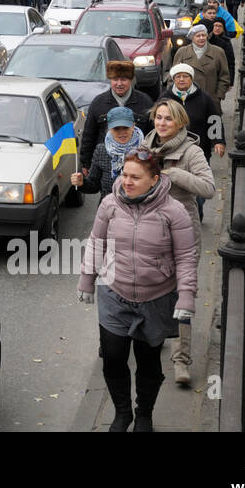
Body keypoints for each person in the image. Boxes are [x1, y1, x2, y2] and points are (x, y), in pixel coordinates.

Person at [78, 149, 197, 431]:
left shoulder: (174, 212)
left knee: (148, 363)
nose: (127, 182)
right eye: (124, 175)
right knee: (113, 356)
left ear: (155, 179)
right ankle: (122, 413)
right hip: (113, 294)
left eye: (135, 177)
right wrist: (86, 279)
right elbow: (96, 242)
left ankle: (144, 413)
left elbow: (186, 257)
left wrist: (186, 296)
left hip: (155, 299)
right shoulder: (110, 203)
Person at [143, 98, 215, 386]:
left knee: (180, 294)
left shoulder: (192, 151)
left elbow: (208, 188)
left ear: (180, 122)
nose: (162, 123)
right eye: (158, 118)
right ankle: (155, 335)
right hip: (149, 233)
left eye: (168, 119)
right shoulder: (144, 149)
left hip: (182, 233)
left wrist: (175, 174)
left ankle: (181, 361)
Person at [78, 60, 154, 176]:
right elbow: (89, 135)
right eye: (115, 79)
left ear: (131, 80)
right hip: (106, 164)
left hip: (138, 163)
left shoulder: (145, 102)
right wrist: (86, 163)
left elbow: (152, 135)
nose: (119, 83)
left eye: (123, 79)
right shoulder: (98, 103)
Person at [71, 106, 143, 197]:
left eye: (125, 128)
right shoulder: (101, 150)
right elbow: (94, 186)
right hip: (109, 208)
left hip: (138, 208)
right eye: (116, 128)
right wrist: (82, 183)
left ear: (133, 126)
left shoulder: (144, 149)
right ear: (109, 128)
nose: (122, 133)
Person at [169, 25, 230, 104]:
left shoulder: (218, 52)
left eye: (203, 35)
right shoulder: (182, 52)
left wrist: (218, 96)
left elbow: (224, 77)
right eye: (198, 36)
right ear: (192, 38)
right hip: (186, 100)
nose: (201, 38)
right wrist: (175, 96)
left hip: (210, 100)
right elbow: (173, 76)